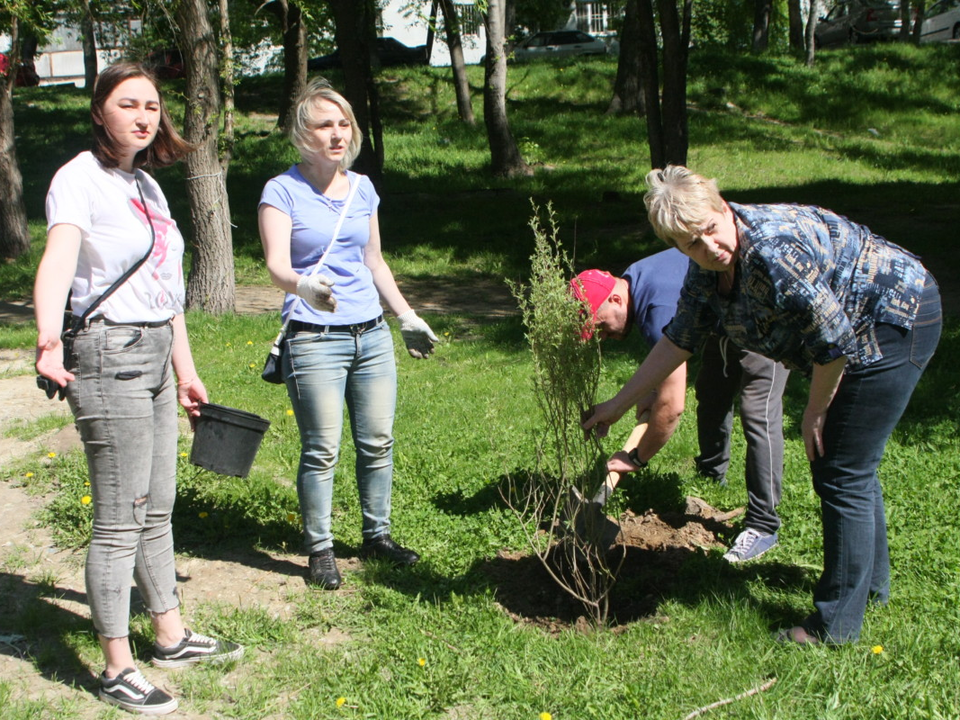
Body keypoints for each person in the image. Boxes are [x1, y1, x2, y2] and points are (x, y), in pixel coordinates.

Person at [582, 165, 941, 645]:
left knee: (840, 469)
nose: (709, 247)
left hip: (892, 318)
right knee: (847, 464)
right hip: (852, 332)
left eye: (710, 229)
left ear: (721, 205)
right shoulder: (705, 271)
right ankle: (869, 591)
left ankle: (835, 628)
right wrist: (617, 405)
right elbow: (677, 342)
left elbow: (832, 344)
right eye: (691, 243)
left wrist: (814, 411)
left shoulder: (772, 251)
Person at [33, 63, 243, 716]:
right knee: (120, 514)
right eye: (128, 104)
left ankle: (170, 635)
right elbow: (59, 260)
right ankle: (117, 666)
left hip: (154, 349)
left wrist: (186, 368)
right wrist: (46, 340)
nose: (144, 116)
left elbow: (164, 287)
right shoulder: (78, 180)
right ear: (99, 111)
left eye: (152, 105)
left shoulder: (147, 184)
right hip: (108, 352)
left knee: (158, 504)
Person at [258, 79, 438, 591]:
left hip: (371, 335)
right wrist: (303, 285)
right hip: (314, 337)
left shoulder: (363, 188)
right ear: (302, 133)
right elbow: (274, 266)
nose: (337, 135)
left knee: (378, 442)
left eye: (343, 124)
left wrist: (404, 315)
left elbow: (372, 260)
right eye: (324, 125)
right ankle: (320, 549)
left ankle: (376, 537)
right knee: (322, 449)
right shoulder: (282, 190)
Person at [572, 249, 789, 563]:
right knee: (712, 391)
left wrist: (636, 457)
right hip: (724, 310)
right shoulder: (633, 279)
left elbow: (672, 406)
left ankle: (763, 525)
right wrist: (643, 394)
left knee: (758, 411)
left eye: (600, 325)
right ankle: (712, 475)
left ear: (616, 301)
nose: (601, 336)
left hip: (763, 309)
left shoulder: (656, 307)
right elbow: (665, 362)